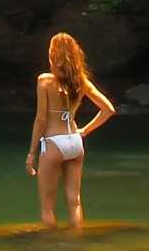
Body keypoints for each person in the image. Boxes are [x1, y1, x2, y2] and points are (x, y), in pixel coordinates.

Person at [25, 31, 116, 226]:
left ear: (53, 55)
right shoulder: (81, 82)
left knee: (47, 206)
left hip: (53, 143)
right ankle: (77, 245)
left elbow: (41, 120)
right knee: (75, 202)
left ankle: (50, 248)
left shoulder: (45, 81)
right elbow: (108, 110)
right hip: (75, 142)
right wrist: (84, 131)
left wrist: (31, 153)